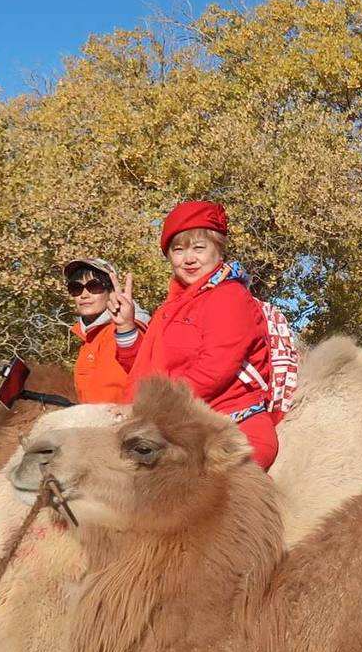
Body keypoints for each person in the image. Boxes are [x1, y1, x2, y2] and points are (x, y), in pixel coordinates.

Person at [111, 201, 283, 470]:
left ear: (218, 249)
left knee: (203, 500)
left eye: (198, 247)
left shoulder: (229, 297)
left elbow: (214, 369)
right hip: (177, 425)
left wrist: (146, 406)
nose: (188, 259)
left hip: (229, 427)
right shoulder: (171, 308)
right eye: (178, 250)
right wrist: (125, 327)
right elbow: (149, 370)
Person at [61, 257, 146, 404]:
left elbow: (109, 400)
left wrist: (126, 328)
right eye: (76, 288)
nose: (84, 295)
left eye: (94, 286)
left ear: (112, 291)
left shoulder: (123, 330)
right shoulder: (90, 337)